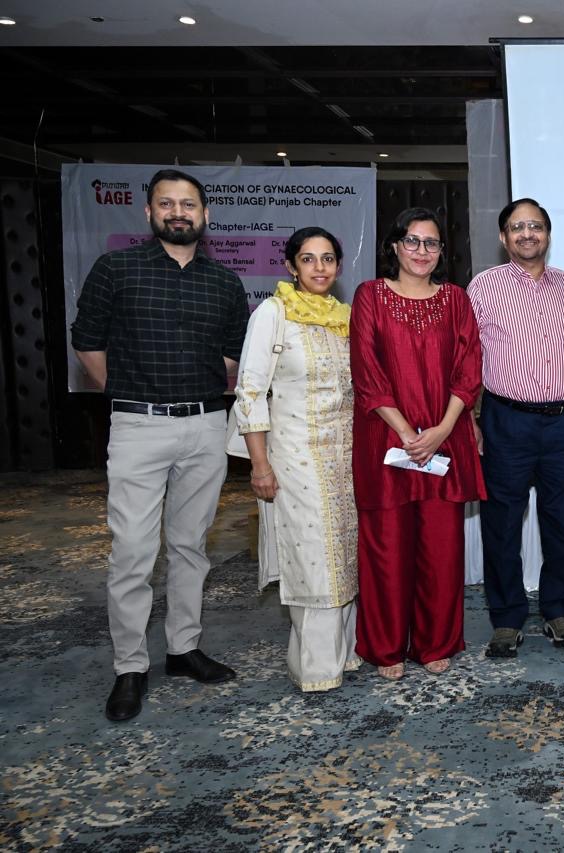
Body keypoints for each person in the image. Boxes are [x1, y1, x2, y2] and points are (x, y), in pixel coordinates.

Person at [71, 168, 249, 721]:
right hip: (138, 425)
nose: (178, 213)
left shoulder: (224, 282)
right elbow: (87, 342)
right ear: (148, 213)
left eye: (188, 204)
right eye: (167, 204)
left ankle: (182, 649)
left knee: (191, 545)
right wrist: (130, 393)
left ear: (205, 215)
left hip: (205, 426)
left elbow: (231, 355)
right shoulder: (116, 269)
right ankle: (130, 666)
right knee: (132, 552)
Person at [350, 207, 485, 679]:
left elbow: (469, 370)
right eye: (412, 241)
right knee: (386, 549)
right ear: (394, 245)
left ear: (442, 251)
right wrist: (408, 435)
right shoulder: (369, 296)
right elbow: (367, 373)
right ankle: (386, 646)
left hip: (444, 441)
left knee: (441, 549)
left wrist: (443, 430)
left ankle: (435, 642)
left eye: (431, 243)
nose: (422, 251)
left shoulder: (456, 300)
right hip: (387, 442)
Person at [233, 227, 358, 692]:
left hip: (344, 457)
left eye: (328, 258)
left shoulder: (345, 317)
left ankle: (346, 652)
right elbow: (250, 391)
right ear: (290, 266)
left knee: (345, 553)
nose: (319, 268)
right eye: (308, 259)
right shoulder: (274, 313)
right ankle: (316, 668)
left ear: (339, 266)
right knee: (312, 556)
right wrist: (259, 466)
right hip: (296, 457)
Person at [468, 198, 564, 658]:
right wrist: (471, 418)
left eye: (535, 226)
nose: (527, 234)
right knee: (502, 523)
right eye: (517, 227)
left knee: (561, 520)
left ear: (548, 234)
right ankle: (507, 618)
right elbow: (467, 356)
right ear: (504, 237)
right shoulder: (484, 287)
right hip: (507, 421)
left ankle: (559, 610)